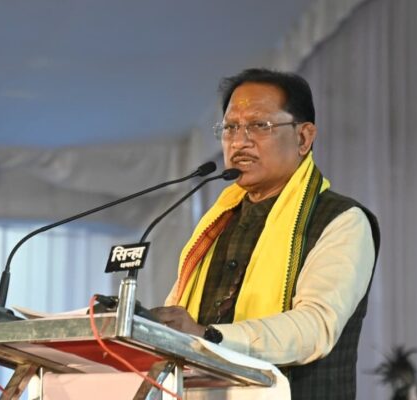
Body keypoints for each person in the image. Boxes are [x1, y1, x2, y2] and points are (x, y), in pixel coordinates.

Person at [151, 68, 380, 399]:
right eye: (230, 127)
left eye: (259, 125)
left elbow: (315, 328)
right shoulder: (217, 224)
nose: (239, 141)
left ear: (303, 138)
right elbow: (180, 322)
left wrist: (208, 336)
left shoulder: (342, 220)